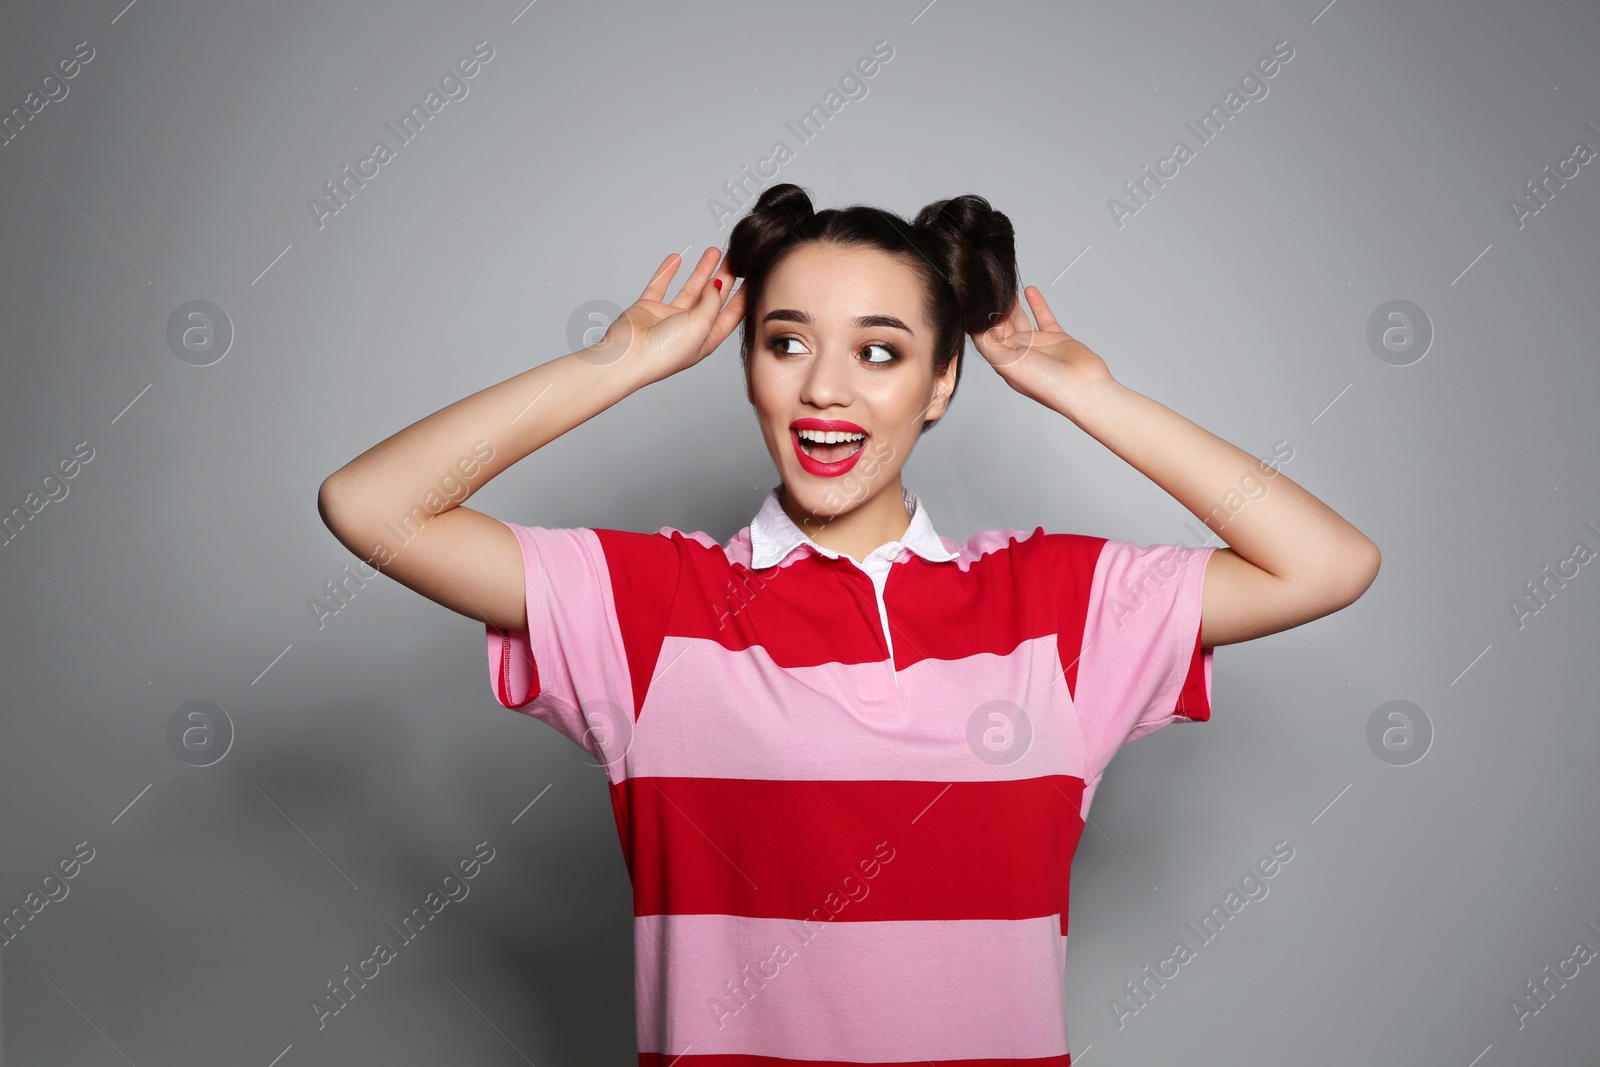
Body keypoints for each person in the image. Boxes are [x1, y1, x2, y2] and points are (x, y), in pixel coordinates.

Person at [317, 182, 1380, 1064]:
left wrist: (1084, 393)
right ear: (748, 371)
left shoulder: (1059, 610)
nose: (826, 387)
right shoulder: (645, 605)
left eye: (880, 351)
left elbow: (1327, 562)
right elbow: (372, 505)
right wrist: (619, 362)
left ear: (940, 380)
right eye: (786, 342)